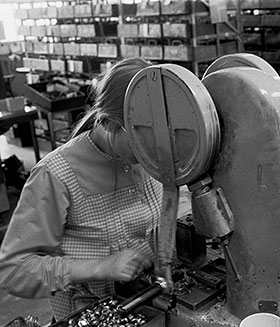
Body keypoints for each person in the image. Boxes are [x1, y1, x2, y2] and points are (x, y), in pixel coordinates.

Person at [0, 58, 164, 320]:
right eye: (141, 140)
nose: (153, 152)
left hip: (151, 301)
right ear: (109, 123)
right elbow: (14, 271)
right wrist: (101, 267)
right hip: (92, 313)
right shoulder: (56, 175)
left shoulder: (150, 156)